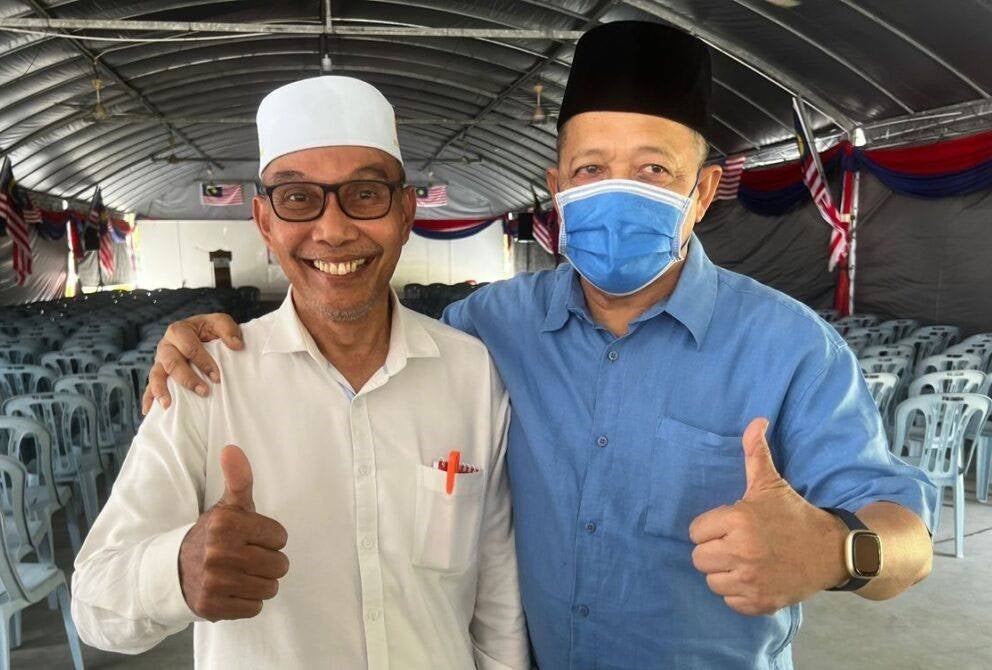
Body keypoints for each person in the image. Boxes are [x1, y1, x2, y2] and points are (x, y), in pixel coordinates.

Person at [144, 22, 936, 669]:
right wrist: (212, 338)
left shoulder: (789, 347)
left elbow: (910, 540)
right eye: (591, 169)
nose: (618, 191)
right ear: (557, 191)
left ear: (701, 192)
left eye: (653, 170)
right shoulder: (489, 328)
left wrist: (839, 552)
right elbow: (362, 344)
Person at [71, 76, 529, 670]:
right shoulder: (207, 382)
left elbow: (496, 605)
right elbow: (93, 603)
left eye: (365, 193)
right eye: (297, 198)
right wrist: (176, 570)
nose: (333, 230)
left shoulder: (470, 374)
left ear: (406, 211)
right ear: (264, 222)